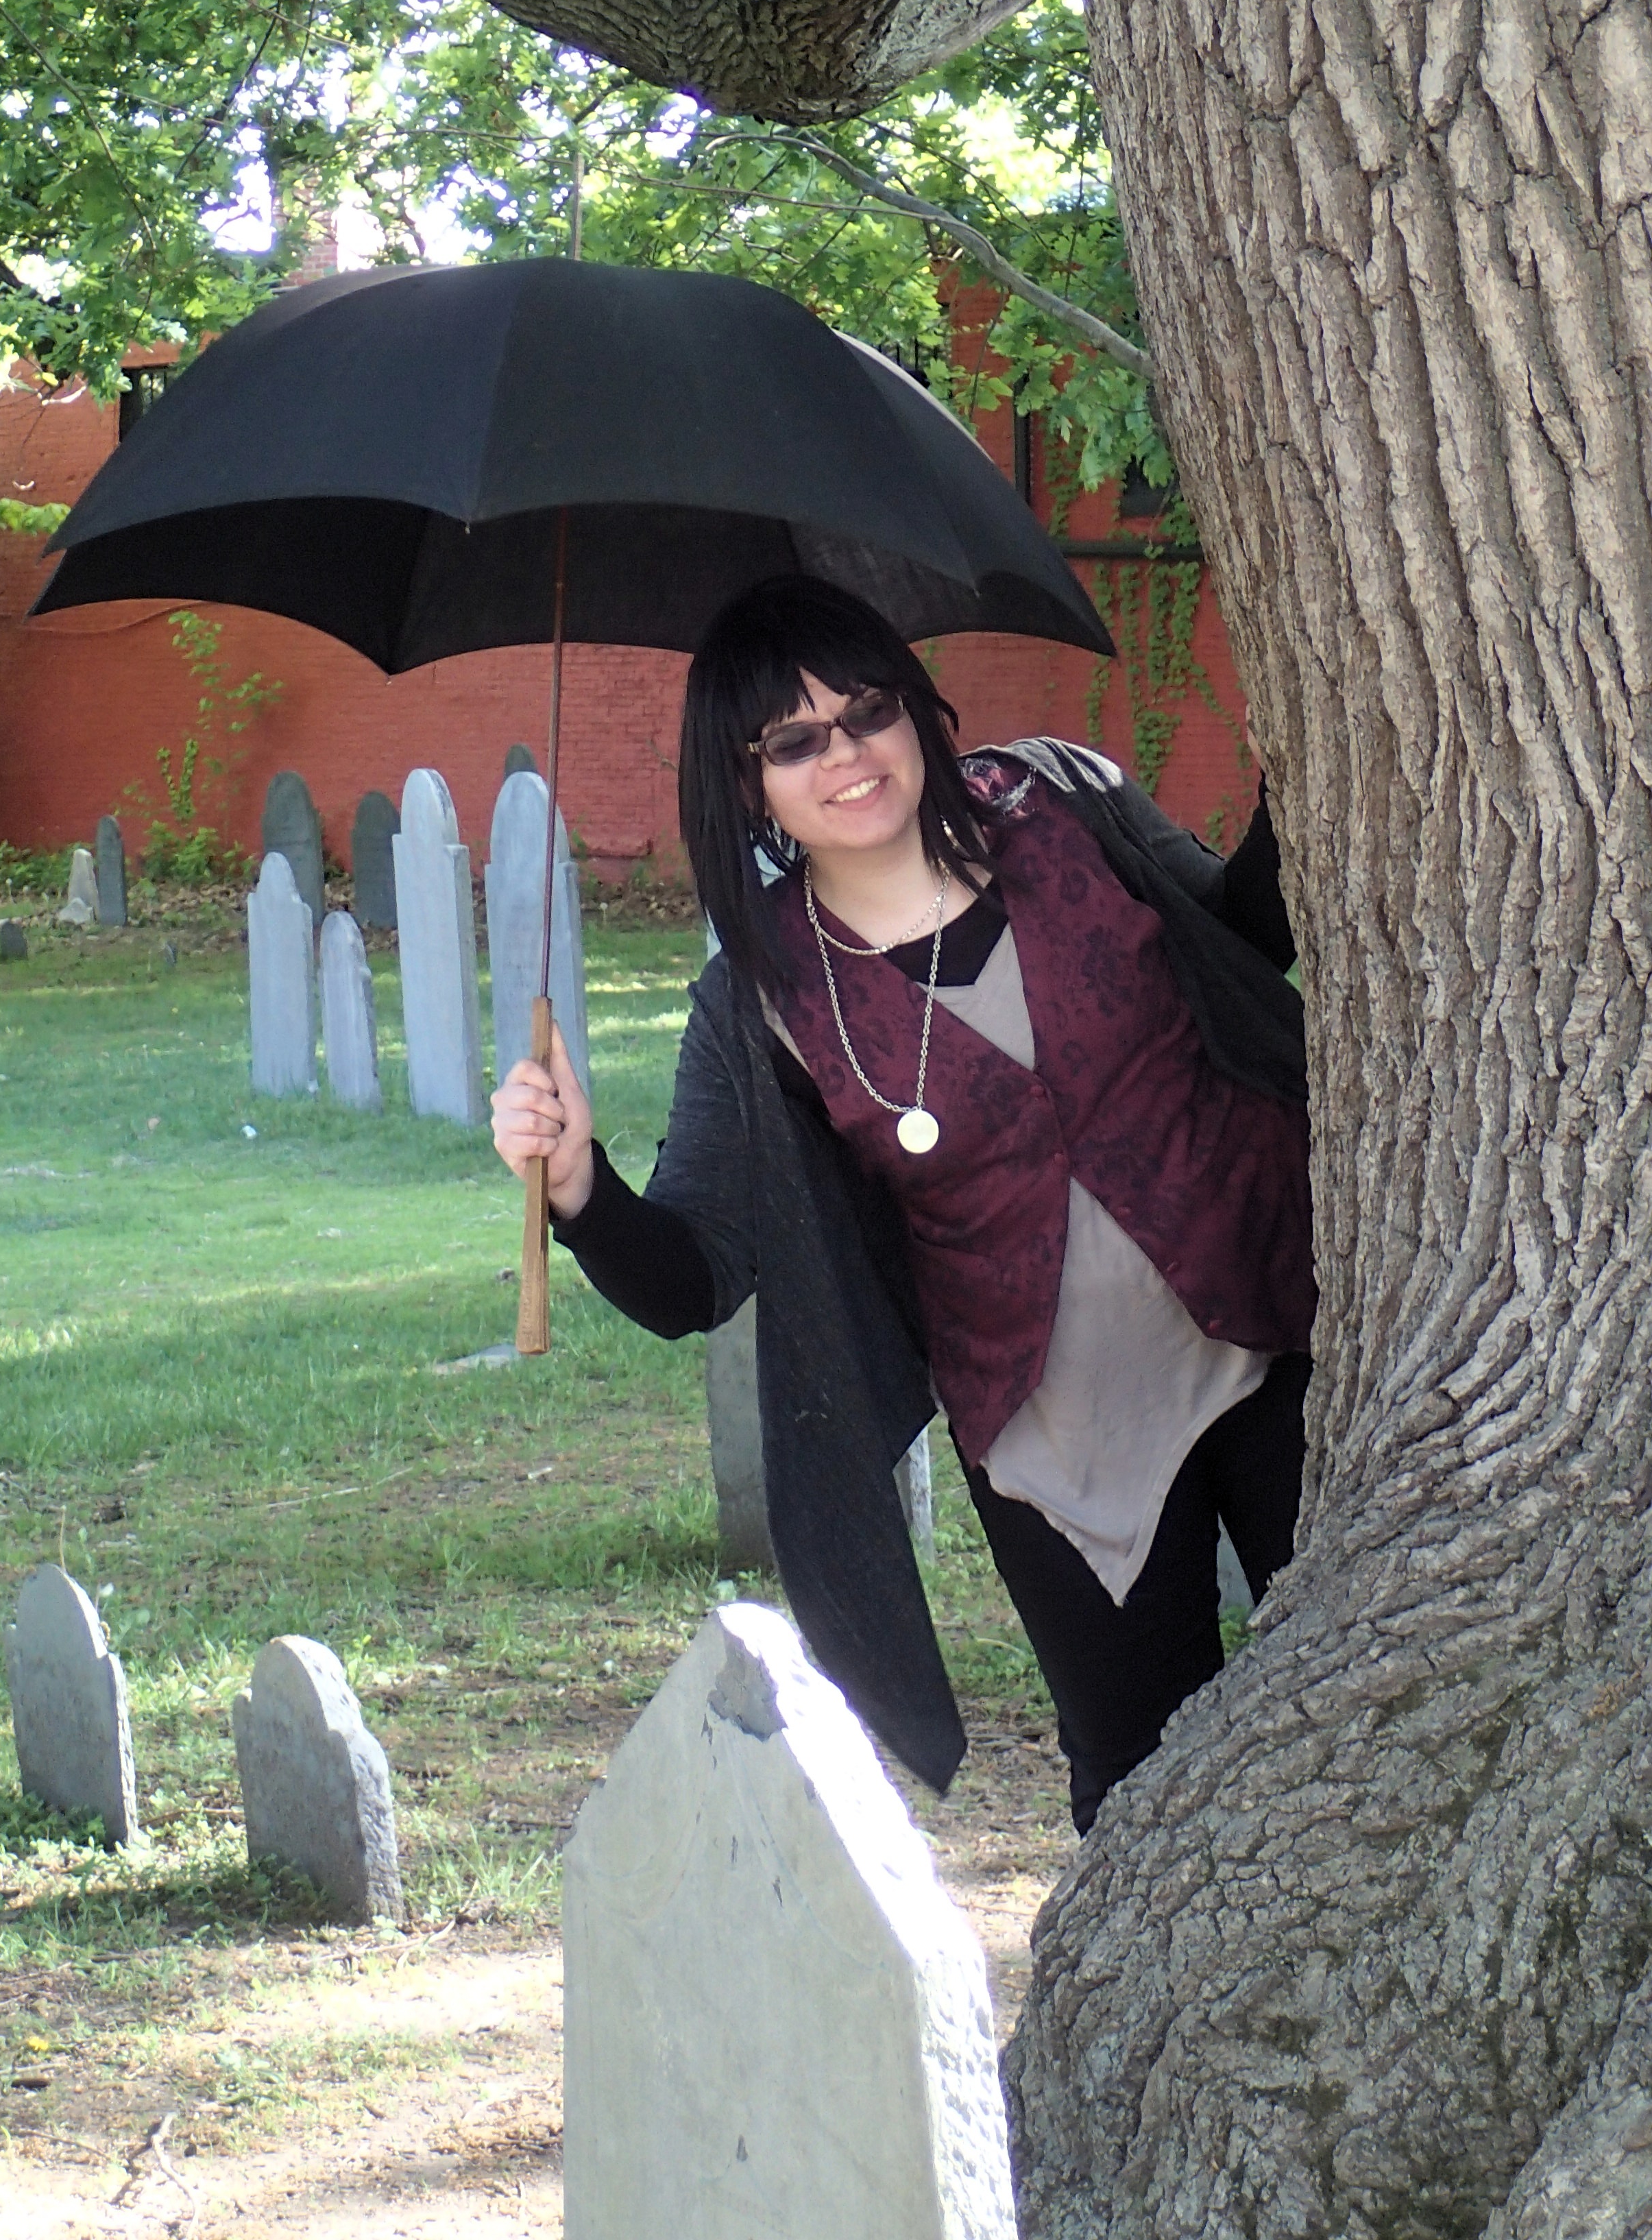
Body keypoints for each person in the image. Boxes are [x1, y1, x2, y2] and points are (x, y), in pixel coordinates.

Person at [491, 576, 1313, 1833]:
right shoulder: (761, 1000)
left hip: (1281, 1343)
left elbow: (1241, 940)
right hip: (1060, 1448)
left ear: (915, 710)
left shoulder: (1062, 803)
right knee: (1150, 1800)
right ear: (747, 783)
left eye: (867, 710)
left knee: (1379, 1689)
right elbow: (694, 1274)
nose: (847, 756)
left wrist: (1296, 789)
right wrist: (578, 1187)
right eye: (794, 741)